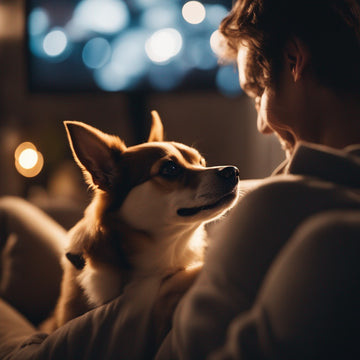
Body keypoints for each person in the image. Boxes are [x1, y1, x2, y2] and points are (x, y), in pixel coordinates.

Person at [1, 0, 360, 359]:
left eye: (255, 93)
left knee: (10, 215)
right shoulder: (317, 187)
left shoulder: (282, 206)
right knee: (22, 217)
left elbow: (177, 331)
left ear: (294, 61)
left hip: (71, 343)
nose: (262, 125)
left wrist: (171, 289)